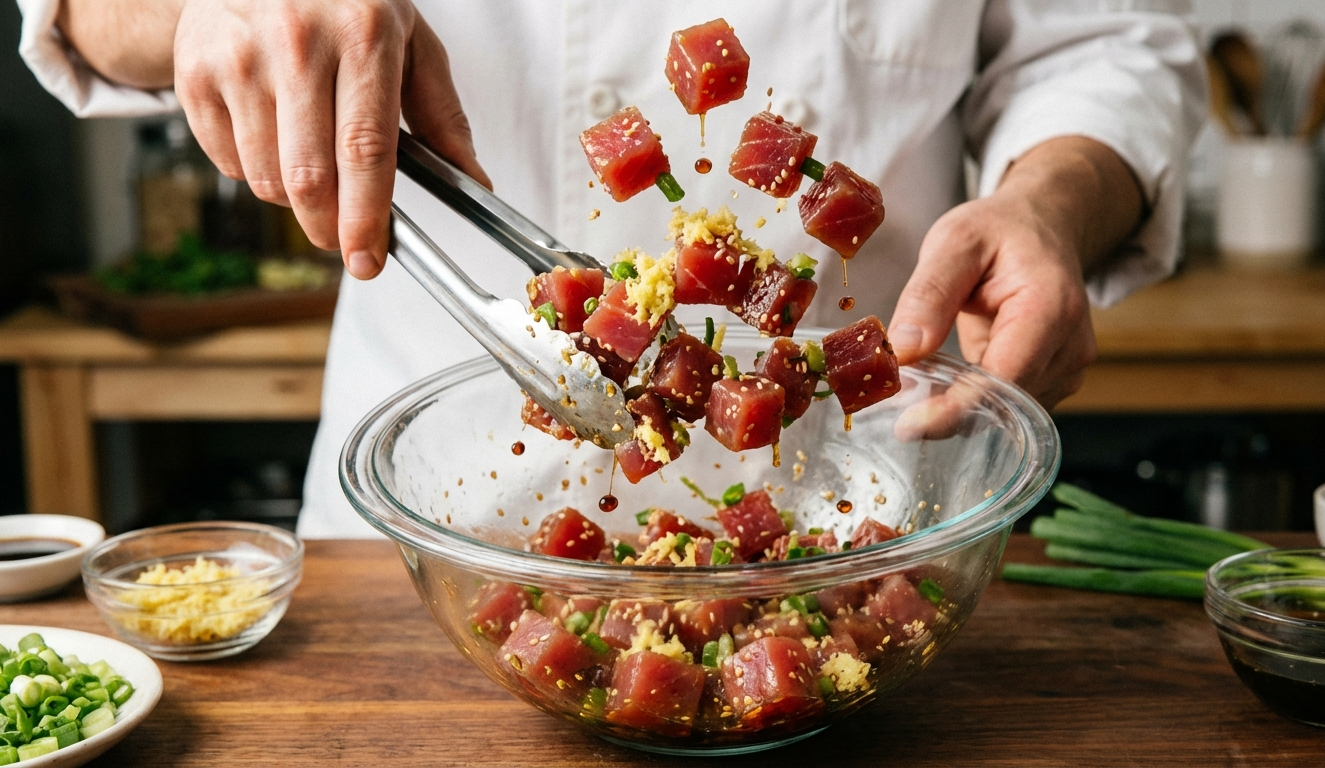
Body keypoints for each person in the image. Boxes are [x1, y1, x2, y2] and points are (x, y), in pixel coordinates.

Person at [19, 0, 1205, 537]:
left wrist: (1046, 204)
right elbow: (75, 10)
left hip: (868, 505)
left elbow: (1103, 41)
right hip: (427, 537)